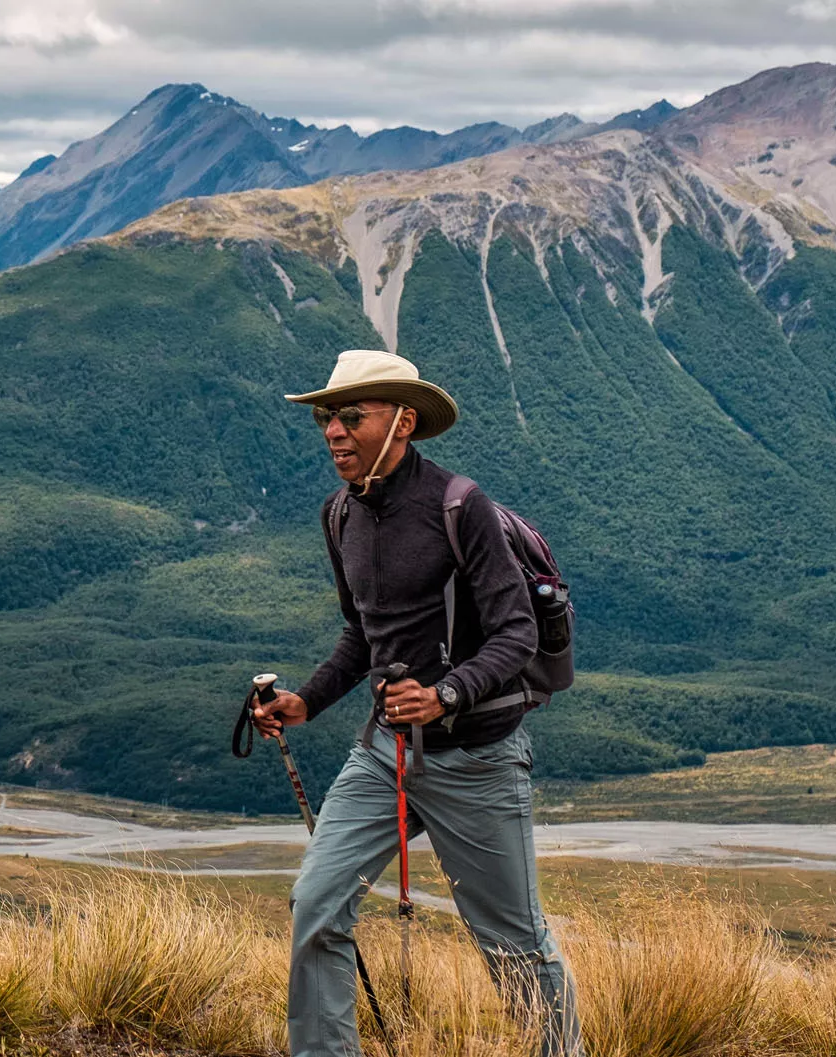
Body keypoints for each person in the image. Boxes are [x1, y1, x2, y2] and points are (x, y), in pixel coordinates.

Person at [252, 349, 581, 1057]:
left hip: (479, 758)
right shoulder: (341, 515)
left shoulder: (461, 508)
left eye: (349, 416)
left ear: (402, 421)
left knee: (515, 944)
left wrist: (444, 694)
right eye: (324, 417)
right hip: (386, 752)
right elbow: (362, 635)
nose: (333, 431)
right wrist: (305, 701)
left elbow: (517, 633)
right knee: (316, 905)